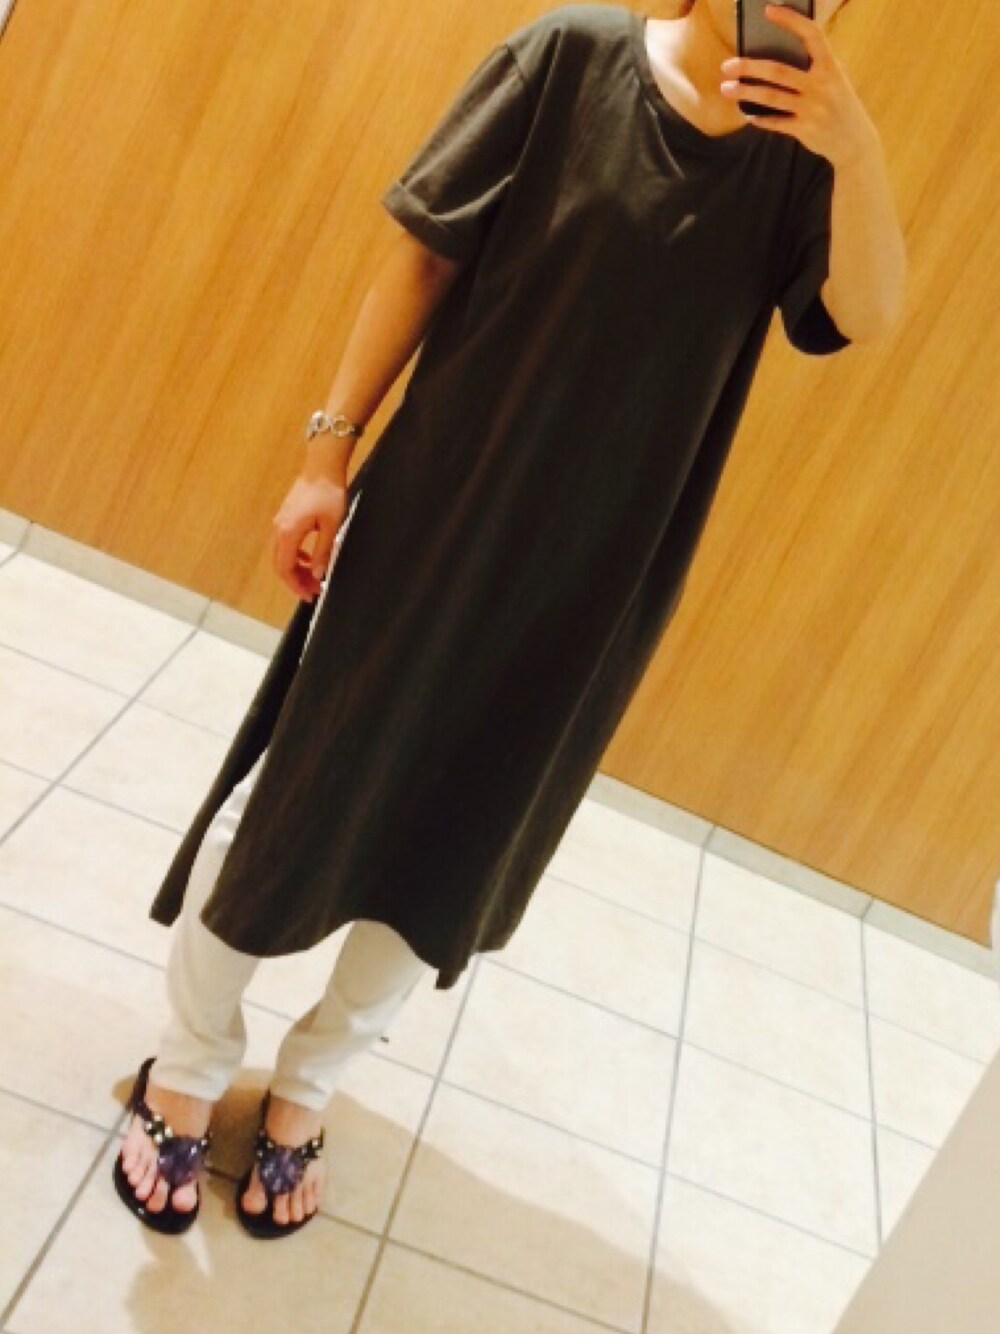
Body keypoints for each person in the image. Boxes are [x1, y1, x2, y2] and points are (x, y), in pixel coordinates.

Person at [116, 0, 904, 1238]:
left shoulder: (804, 161)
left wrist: (857, 149)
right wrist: (326, 453)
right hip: (435, 511)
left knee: (460, 835)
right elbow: (423, 253)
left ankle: (308, 1084)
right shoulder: (568, 59)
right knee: (303, 789)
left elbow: (865, 313)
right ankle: (187, 1060)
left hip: (599, 575)